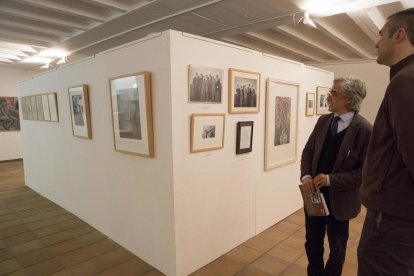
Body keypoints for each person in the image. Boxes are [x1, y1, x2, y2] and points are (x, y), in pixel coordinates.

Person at [358, 8, 414, 276]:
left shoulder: (406, 82)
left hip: (392, 220)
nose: (376, 43)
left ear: (399, 35)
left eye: (381, 35)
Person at [301, 77, 372, 276]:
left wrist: (332, 179)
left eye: (333, 93)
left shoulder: (365, 130)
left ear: (348, 99)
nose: (328, 96)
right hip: (313, 195)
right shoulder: (323, 121)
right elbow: (308, 151)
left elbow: (364, 173)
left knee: (337, 249)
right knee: (312, 242)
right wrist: (306, 176)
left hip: (340, 202)